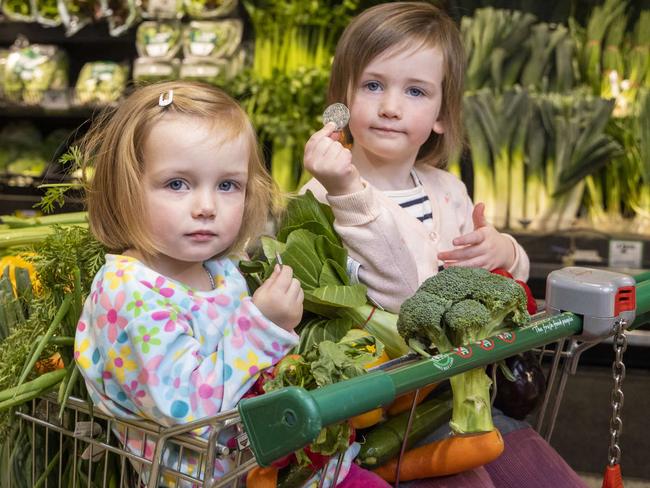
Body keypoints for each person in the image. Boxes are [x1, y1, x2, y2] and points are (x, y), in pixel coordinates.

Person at [301, 3, 588, 487]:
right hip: (382, 412)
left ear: (440, 115)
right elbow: (401, 294)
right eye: (373, 85)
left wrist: (503, 251)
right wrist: (344, 188)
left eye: (415, 91)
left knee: (547, 474)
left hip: (462, 396)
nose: (391, 106)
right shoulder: (323, 198)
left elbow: (502, 281)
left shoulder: (447, 189)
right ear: (342, 101)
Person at [73, 81, 304, 485]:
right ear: (126, 188)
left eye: (228, 185)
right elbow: (192, 412)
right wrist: (265, 326)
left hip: (256, 469)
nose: (206, 207)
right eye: (177, 184)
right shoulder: (129, 293)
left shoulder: (219, 268)